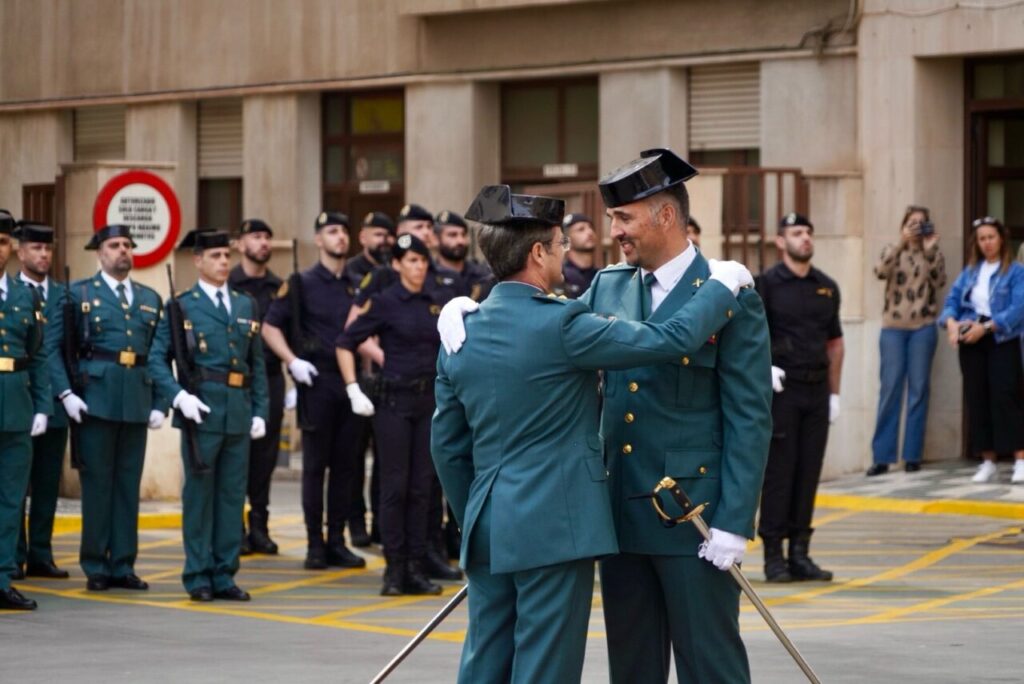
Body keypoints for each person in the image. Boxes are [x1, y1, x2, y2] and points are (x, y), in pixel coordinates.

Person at [438, 150, 772, 684]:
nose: (612, 230)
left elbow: (750, 417)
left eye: (624, 218)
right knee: (632, 668)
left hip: (694, 519)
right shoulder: (609, 286)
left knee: (710, 663)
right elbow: (542, 329)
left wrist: (735, 518)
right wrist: (470, 306)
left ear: (665, 215)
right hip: (615, 516)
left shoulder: (731, 292)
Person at [336, 233, 464, 596]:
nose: (418, 266)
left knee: (423, 488)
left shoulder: (438, 302)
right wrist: (352, 388)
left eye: (422, 260)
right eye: (410, 260)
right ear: (396, 265)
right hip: (393, 403)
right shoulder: (384, 302)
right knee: (395, 486)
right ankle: (394, 570)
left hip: (429, 404)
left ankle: (416, 566)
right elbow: (345, 342)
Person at [149, 228, 268, 601]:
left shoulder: (245, 304)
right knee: (200, 497)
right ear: (197, 260)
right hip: (201, 410)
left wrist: (261, 410)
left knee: (232, 497)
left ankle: (224, 573)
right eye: (214, 257)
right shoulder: (182, 306)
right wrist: (178, 396)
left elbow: (256, 363)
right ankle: (198, 573)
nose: (222, 263)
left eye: (225, 257)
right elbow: (156, 360)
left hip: (237, 409)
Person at [54, 224, 165, 592]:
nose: (123, 252)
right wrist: (66, 394)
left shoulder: (150, 298)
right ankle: (95, 564)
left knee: (127, 487)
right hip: (95, 400)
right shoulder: (78, 293)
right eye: (115, 246)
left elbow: (159, 356)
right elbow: (57, 349)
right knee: (98, 486)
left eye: (127, 246)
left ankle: (123, 564)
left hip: (136, 398)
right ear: (99, 252)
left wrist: (160, 402)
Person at [262, 212, 367, 570]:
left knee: (345, 467)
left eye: (343, 231)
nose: (341, 237)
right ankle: (314, 544)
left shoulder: (357, 284)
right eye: (332, 232)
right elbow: (270, 327)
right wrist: (292, 362)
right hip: (316, 380)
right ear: (318, 239)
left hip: (350, 382)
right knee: (314, 467)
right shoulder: (301, 282)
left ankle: (337, 540)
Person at [756, 212, 843, 584]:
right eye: (796, 233)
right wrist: (764, 368)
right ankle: (773, 554)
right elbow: (751, 335)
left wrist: (835, 394)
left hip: (817, 389)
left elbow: (835, 343)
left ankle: (800, 553)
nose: (805, 238)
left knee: (808, 472)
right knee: (780, 473)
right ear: (781, 241)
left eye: (808, 232)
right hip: (783, 390)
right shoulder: (767, 284)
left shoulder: (826, 286)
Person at [939, 216, 1024, 484]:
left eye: (991, 237)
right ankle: (988, 460)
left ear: (1001, 239)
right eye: (982, 239)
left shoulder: (1015, 272)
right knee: (977, 398)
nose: (986, 243)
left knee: (1006, 397)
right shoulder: (970, 271)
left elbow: (1018, 308)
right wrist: (951, 324)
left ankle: (1020, 458)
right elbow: (951, 301)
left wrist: (986, 328)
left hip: (1001, 338)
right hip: (971, 339)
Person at [867, 206, 946, 476]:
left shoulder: (931, 252)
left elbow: (939, 281)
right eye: (912, 223)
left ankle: (912, 455)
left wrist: (930, 249)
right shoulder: (893, 249)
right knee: (889, 390)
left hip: (923, 328)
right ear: (903, 226)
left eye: (921, 223)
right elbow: (879, 271)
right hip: (893, 328)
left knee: (918, 390)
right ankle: (882, 457)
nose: (916, 228)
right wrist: (902, 242)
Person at [12, 222, 70, 580]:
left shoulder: (64, 295)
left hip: (57, 404)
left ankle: (41, 554)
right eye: (35, 248)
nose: (43, 255)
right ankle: (13, 554)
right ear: (20, 253)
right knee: (15, 483)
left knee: (47, 483)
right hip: (20, 400)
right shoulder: (10, 293)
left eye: (47, 249)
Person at [0, 209, 50, 610]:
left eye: (1, 242)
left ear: (12, 249)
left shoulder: (25, 295)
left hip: (16, 406)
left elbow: (37, 354)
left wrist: (42, 405)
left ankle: (1, 579)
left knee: (11, 500)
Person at [229, 218, 284, 554]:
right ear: (240, 244)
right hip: (238, 380)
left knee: (266, 457)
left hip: (272, 377)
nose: (262, 242)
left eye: (267, 237)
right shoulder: (230, 282)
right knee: (238, 456)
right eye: (255, 236)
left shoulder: (280, 287)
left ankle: (260, 524)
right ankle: (235, 527)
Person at [343, 211, 395, 548]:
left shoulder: (392, 272)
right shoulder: (352, 273)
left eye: (387, 235)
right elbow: (356, 326)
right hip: (363, 376)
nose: (383, 241)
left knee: (385, 461)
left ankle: (379, 522)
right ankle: (356, 521)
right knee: (354, 457)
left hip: (389, 380)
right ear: (362, 236)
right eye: (377, 234)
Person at [434, 209, 494, 301]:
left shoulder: (483, 276)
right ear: (436, 239)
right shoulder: (427, 276)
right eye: (452, 235)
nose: (460, 241)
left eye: (463, 234)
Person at [560, 212, 598, 299]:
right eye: (581, 229)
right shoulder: (560, 276)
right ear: (567, 240)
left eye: (591, 228)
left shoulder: (601, 275)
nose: (589, 232)